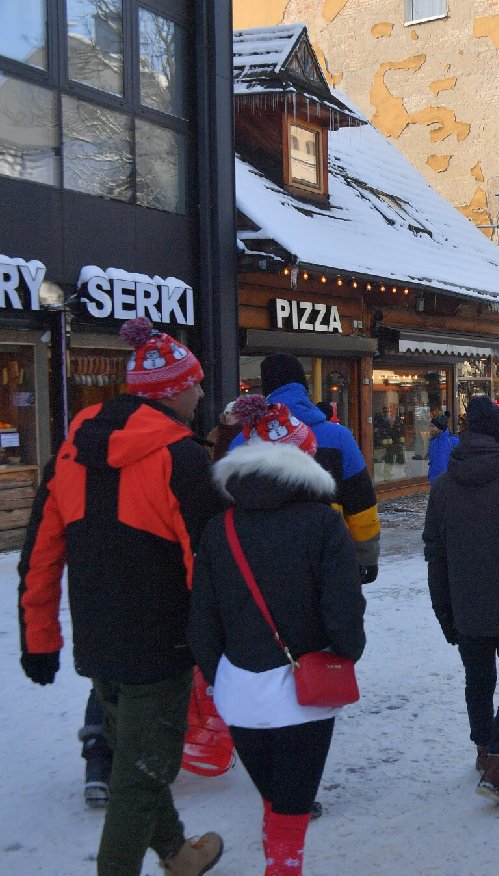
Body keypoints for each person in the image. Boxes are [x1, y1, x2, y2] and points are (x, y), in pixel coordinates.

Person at [18, 317, 225, 876]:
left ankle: (179, 855)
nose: (202, 393)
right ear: (172, 391)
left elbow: (40, 552)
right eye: (195, 383)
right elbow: (209, 566)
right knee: (138, 779)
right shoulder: (181, 458)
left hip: (98, 638)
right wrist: (221, 645)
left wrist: (39, 637)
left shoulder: (73, 448)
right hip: (161, 646)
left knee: (140, 763)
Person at [188, 396, 366, 875]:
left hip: (239, 690)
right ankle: (282, 867)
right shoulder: (324, 523)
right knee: (293, 801)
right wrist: (347, 652)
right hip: (305, 692)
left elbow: (202, 620)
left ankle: (277, 858)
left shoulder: (219, 526)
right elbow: (344, 612)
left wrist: (217, 673)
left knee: (272, 795)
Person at [425, 396, 499, 808]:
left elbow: (435, 555)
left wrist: (444, 610)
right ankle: (498, 765)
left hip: (467, 608)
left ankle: (484, 750)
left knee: (477, 684)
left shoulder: (443, 487)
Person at [230, 355, 380, 586]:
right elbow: (360, 501)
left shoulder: (244, 440)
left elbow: (230, 504)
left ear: (267, 390)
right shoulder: (339, 436)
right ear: (305, 387)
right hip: (327, 551)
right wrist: (366, 556)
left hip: (259, 558)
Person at [427, 413, 459, 483]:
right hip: (435, 482)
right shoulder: (433, 442)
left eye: (433, 426)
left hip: (450, 483)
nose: (430, 429)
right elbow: (432, 461)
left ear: (440, 427)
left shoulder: (454, 441)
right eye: (430, 426)